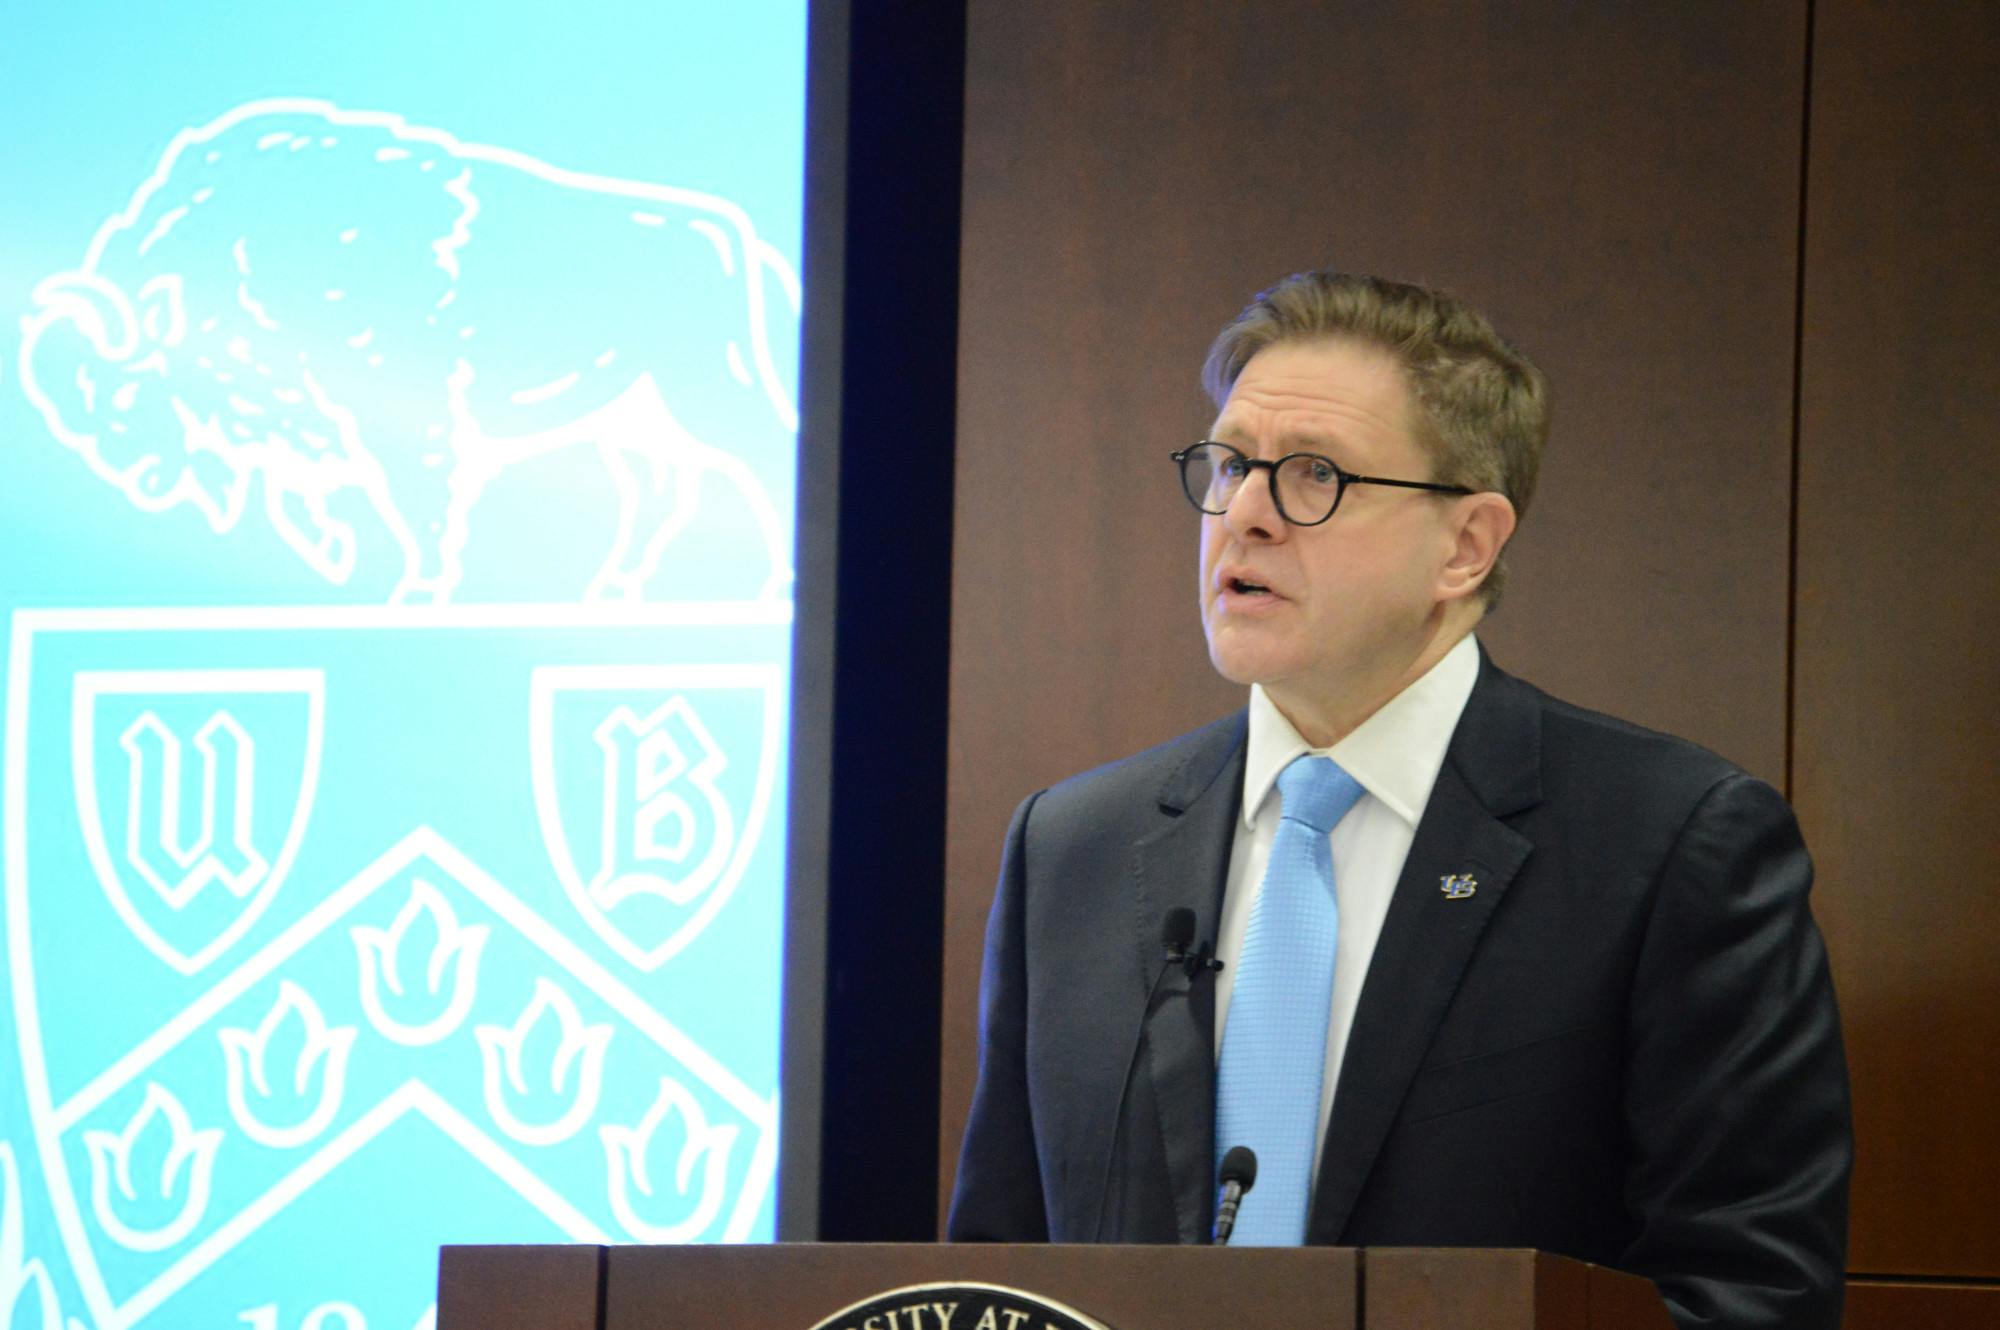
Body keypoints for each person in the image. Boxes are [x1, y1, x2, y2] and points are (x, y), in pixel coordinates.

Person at [946, 272, 1852, 1330]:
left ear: (1464, 545)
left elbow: (1750, 1296)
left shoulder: (1668, 844)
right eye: (1231, 462)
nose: (1243, 514)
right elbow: (998, 1283)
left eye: (1313, 475)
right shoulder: (1072, 846)